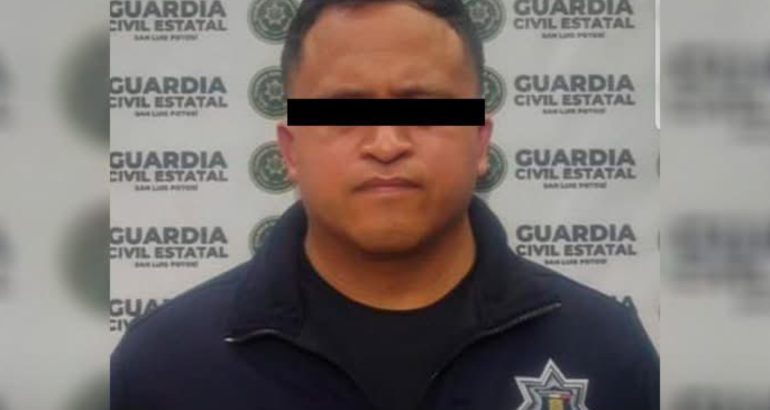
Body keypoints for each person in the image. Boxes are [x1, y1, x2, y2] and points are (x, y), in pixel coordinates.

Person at [110, 0, 659, 409]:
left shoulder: (605, 352)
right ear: (291, 150)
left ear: (480, 142)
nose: (386, 143)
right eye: (345, 111)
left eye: (424, 107)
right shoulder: (166, 366)